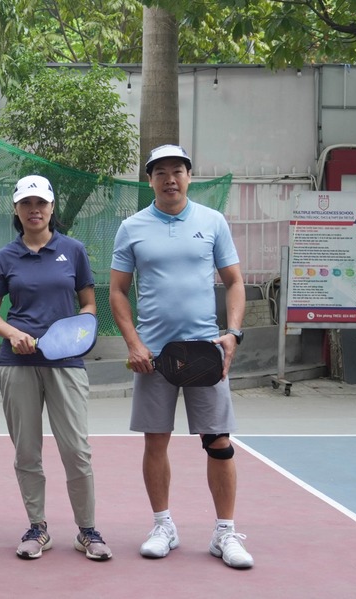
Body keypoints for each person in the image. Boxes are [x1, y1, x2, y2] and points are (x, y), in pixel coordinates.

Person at [109, 144, 253, 569]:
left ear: (189, 176)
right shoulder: (131, 227)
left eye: (177, 171)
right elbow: (117, 291)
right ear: (150, 180)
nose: (170, 179)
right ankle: (163, 526)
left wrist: (233, 334)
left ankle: (225, 533)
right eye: (160, 172)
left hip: (206, 353)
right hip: (153, 356)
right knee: (156, 440)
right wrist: (133, 343)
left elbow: (235, 281)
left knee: (219, 443)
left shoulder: (212, 221)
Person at [0, 174, 112, 561]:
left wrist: (76, 335)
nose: (34, 210)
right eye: (26, 203)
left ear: (52, 207)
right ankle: (37, 528)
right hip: (17, 364)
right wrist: (13, 334)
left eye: (41, 203)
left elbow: (89, 305)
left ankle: (87, 531)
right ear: (16, 209)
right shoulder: (5, 258)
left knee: (77, 450)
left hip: (66, 364)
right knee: (26, 452)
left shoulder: (73, 250)